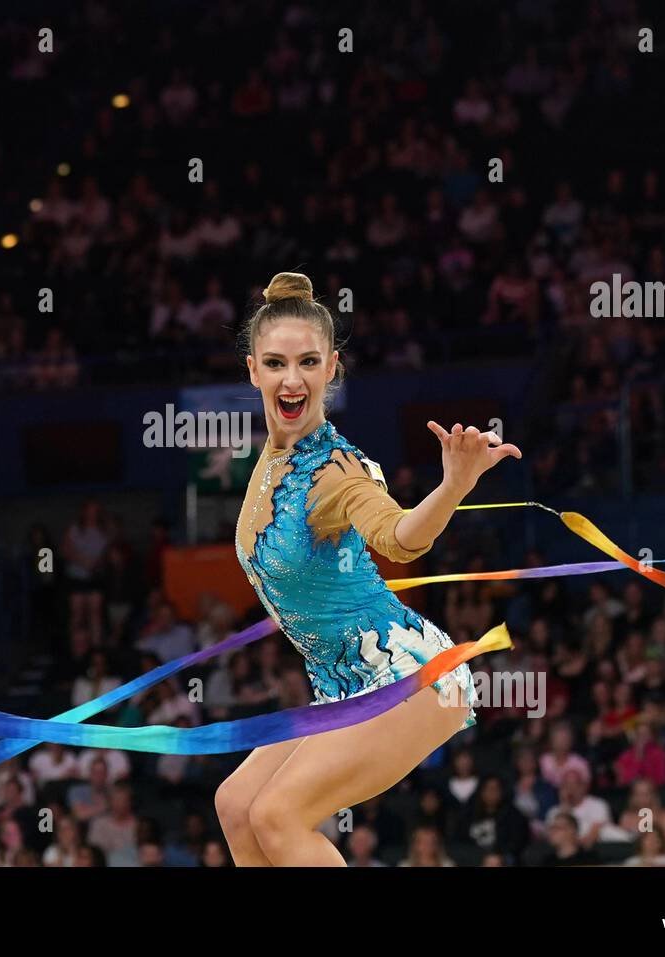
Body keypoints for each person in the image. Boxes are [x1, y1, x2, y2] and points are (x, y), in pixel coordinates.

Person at [214, 271, 521, 866]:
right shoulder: (273, 457)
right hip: (341, 688)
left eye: (308, 362)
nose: (292, 378)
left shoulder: (336, 471)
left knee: (278, 816)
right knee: (237, 803)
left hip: (409, 677)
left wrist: (453, 486)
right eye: (275, 363)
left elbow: (402, 539)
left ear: (332, 367)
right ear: (253, 371)